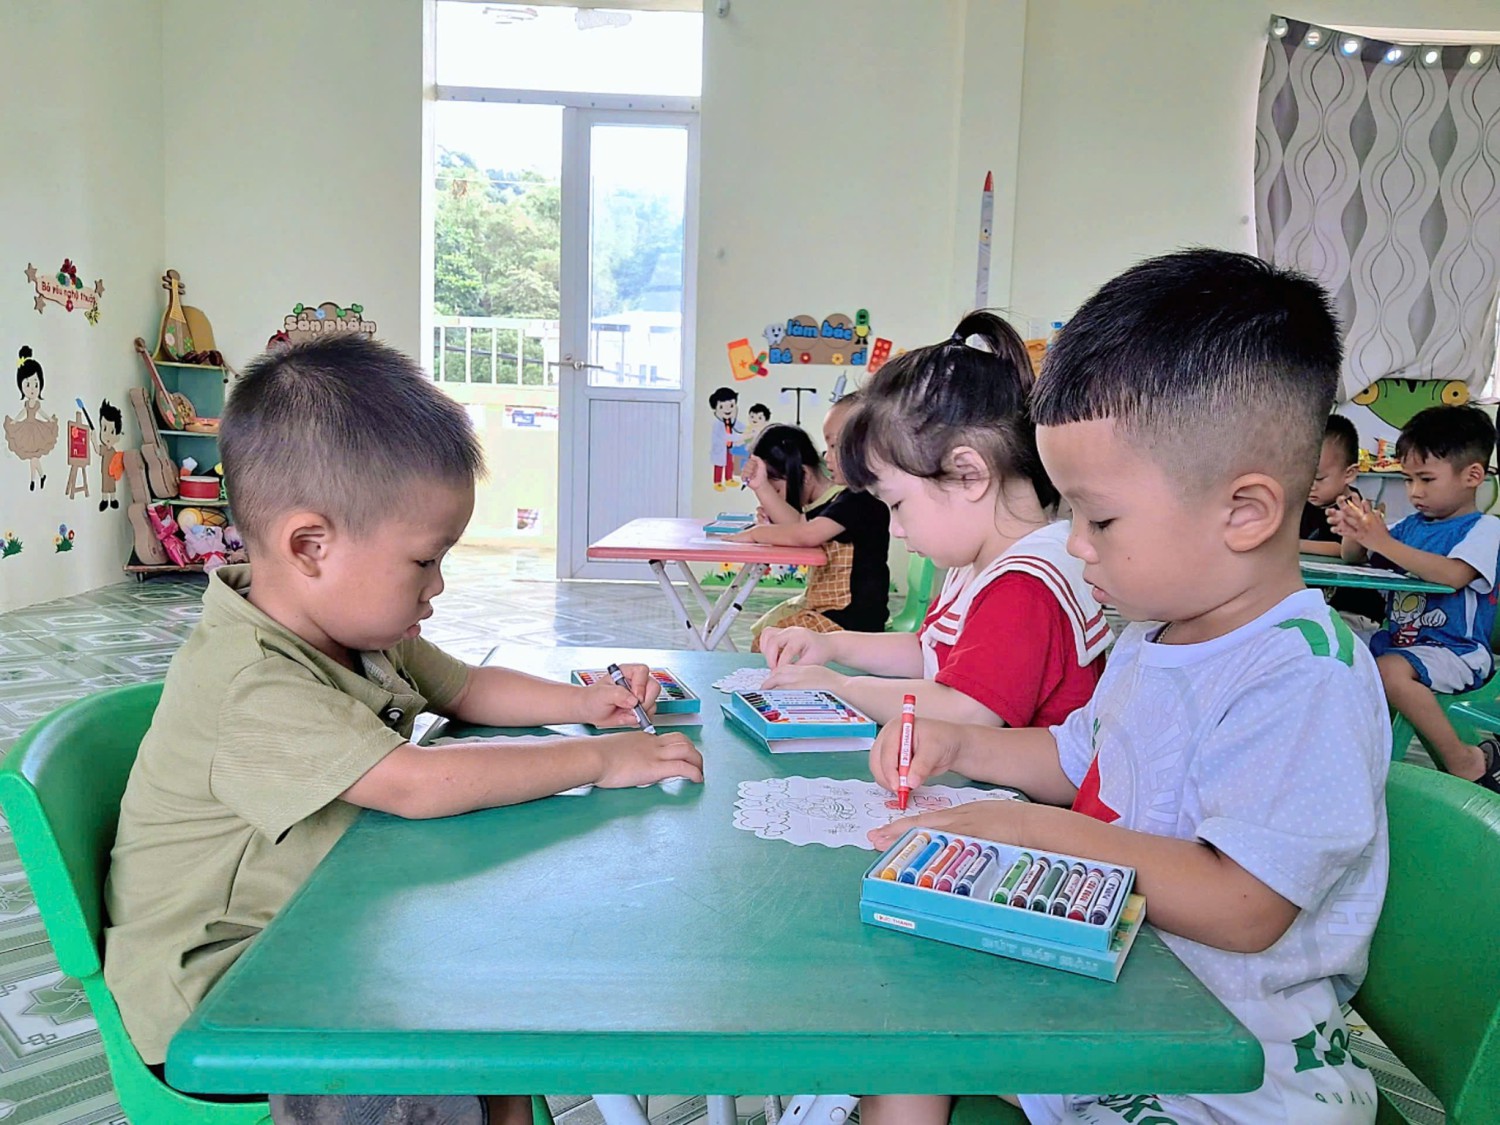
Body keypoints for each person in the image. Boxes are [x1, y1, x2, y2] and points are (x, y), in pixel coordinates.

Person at [103, 335, 704, 1124]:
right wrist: (600, 757)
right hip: (230, 1002)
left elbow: (469, 686)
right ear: (311, 546)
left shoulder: (351, 627)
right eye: (425, 560)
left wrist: (588, 702)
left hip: (320, 929)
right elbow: (417, 784)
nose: (439, 584)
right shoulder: (250, 679)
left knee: (491, 1001)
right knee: (469, 1018)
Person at [860, 250, 1388, 1125]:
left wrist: (1032, 830)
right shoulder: (1153, 637)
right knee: (906, 1030)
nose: (1076, 544)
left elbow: (1245, 903)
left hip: (1228, 1075)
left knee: (917, 1029)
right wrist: (962, 745)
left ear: (1245, 511)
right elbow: (1081, 758)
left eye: (1099, 517)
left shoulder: (1303, 673)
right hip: (1110, 998)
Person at [757, 311, 1109, 726]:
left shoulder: (1025, 585)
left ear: (968, 475)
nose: (895, 528)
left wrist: (842, 687)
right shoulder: (983, 564)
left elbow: (966, 709)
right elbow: (929, 653)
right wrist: (830, 645)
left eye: (896, 504)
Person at [1331, 403, 1500, 790]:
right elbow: (1354, 557)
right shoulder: (1410, 526)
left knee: (1389, 670)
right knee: (1332, 640)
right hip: (1400, 643)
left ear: (1473, 476)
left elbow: (1454, 576)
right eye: (1408, 480)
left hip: (1456, 651)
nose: (1414, 492)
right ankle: (1349, 754)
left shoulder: (1484, 528)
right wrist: (1355, 531)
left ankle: (1465, 760)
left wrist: (1382, 540)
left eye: (1426, 479)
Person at [734, 411, 891, 644]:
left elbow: (806, 534)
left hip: (851, 620)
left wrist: (756, 533)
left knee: (770, 641)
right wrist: (761, 488)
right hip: (830, 610)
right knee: (766, 633)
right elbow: (797, 525)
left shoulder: (858, 500)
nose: (826, 456)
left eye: (835, 446)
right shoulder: (837, 502)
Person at [1300, 413, 1384, 629]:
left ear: (1349, 474)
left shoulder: (1352, 508)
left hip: (1354, 610)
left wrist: (1294, 544)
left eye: (1318, 478)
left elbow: (1341, 549)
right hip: (1315, 608)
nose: (1309, 485)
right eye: (1302, 475)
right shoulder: (1302, 504)